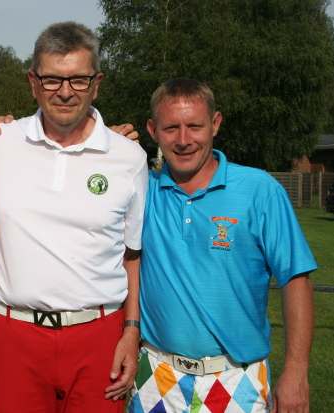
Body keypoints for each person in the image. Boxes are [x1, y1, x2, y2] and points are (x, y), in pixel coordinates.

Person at [0, 21, 148, 413]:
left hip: (98, 337)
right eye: (52, 80)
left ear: (96, 83)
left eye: (79, 80)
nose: (65, 92)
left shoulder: (128, 157)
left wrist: (131, 332)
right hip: (13, 336)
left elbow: (133, 255)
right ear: (33, 81)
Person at [129, 78, 316, 413]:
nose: (184, 140)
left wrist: (296, 373)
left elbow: (296, 279)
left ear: (215, 124)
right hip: (157, 374)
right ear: (152, 130)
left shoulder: (260, 190)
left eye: (195, 126)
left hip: (236, 378)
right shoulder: (142, 189)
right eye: (171, 128)